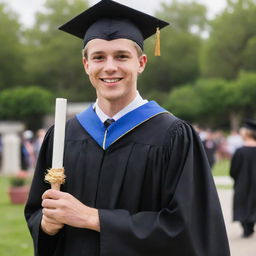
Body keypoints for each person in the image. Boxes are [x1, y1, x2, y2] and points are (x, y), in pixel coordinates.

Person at [25, 1, 230, 255]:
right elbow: (37, 211)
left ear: (141, 62)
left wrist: (93, 218)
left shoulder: (173, 136)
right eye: (99, 57)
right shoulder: (64, 136)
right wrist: (46, 225)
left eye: (121, 56)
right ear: (86, 65)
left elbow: (189, 228)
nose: (110, 67)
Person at [230, 119, 256, 238]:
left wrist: (237, 178)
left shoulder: (240, 151)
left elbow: (233, 170)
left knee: (243, 204)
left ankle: (246, 228)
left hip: (242, 183)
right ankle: (250, 225)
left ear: (246, 134)